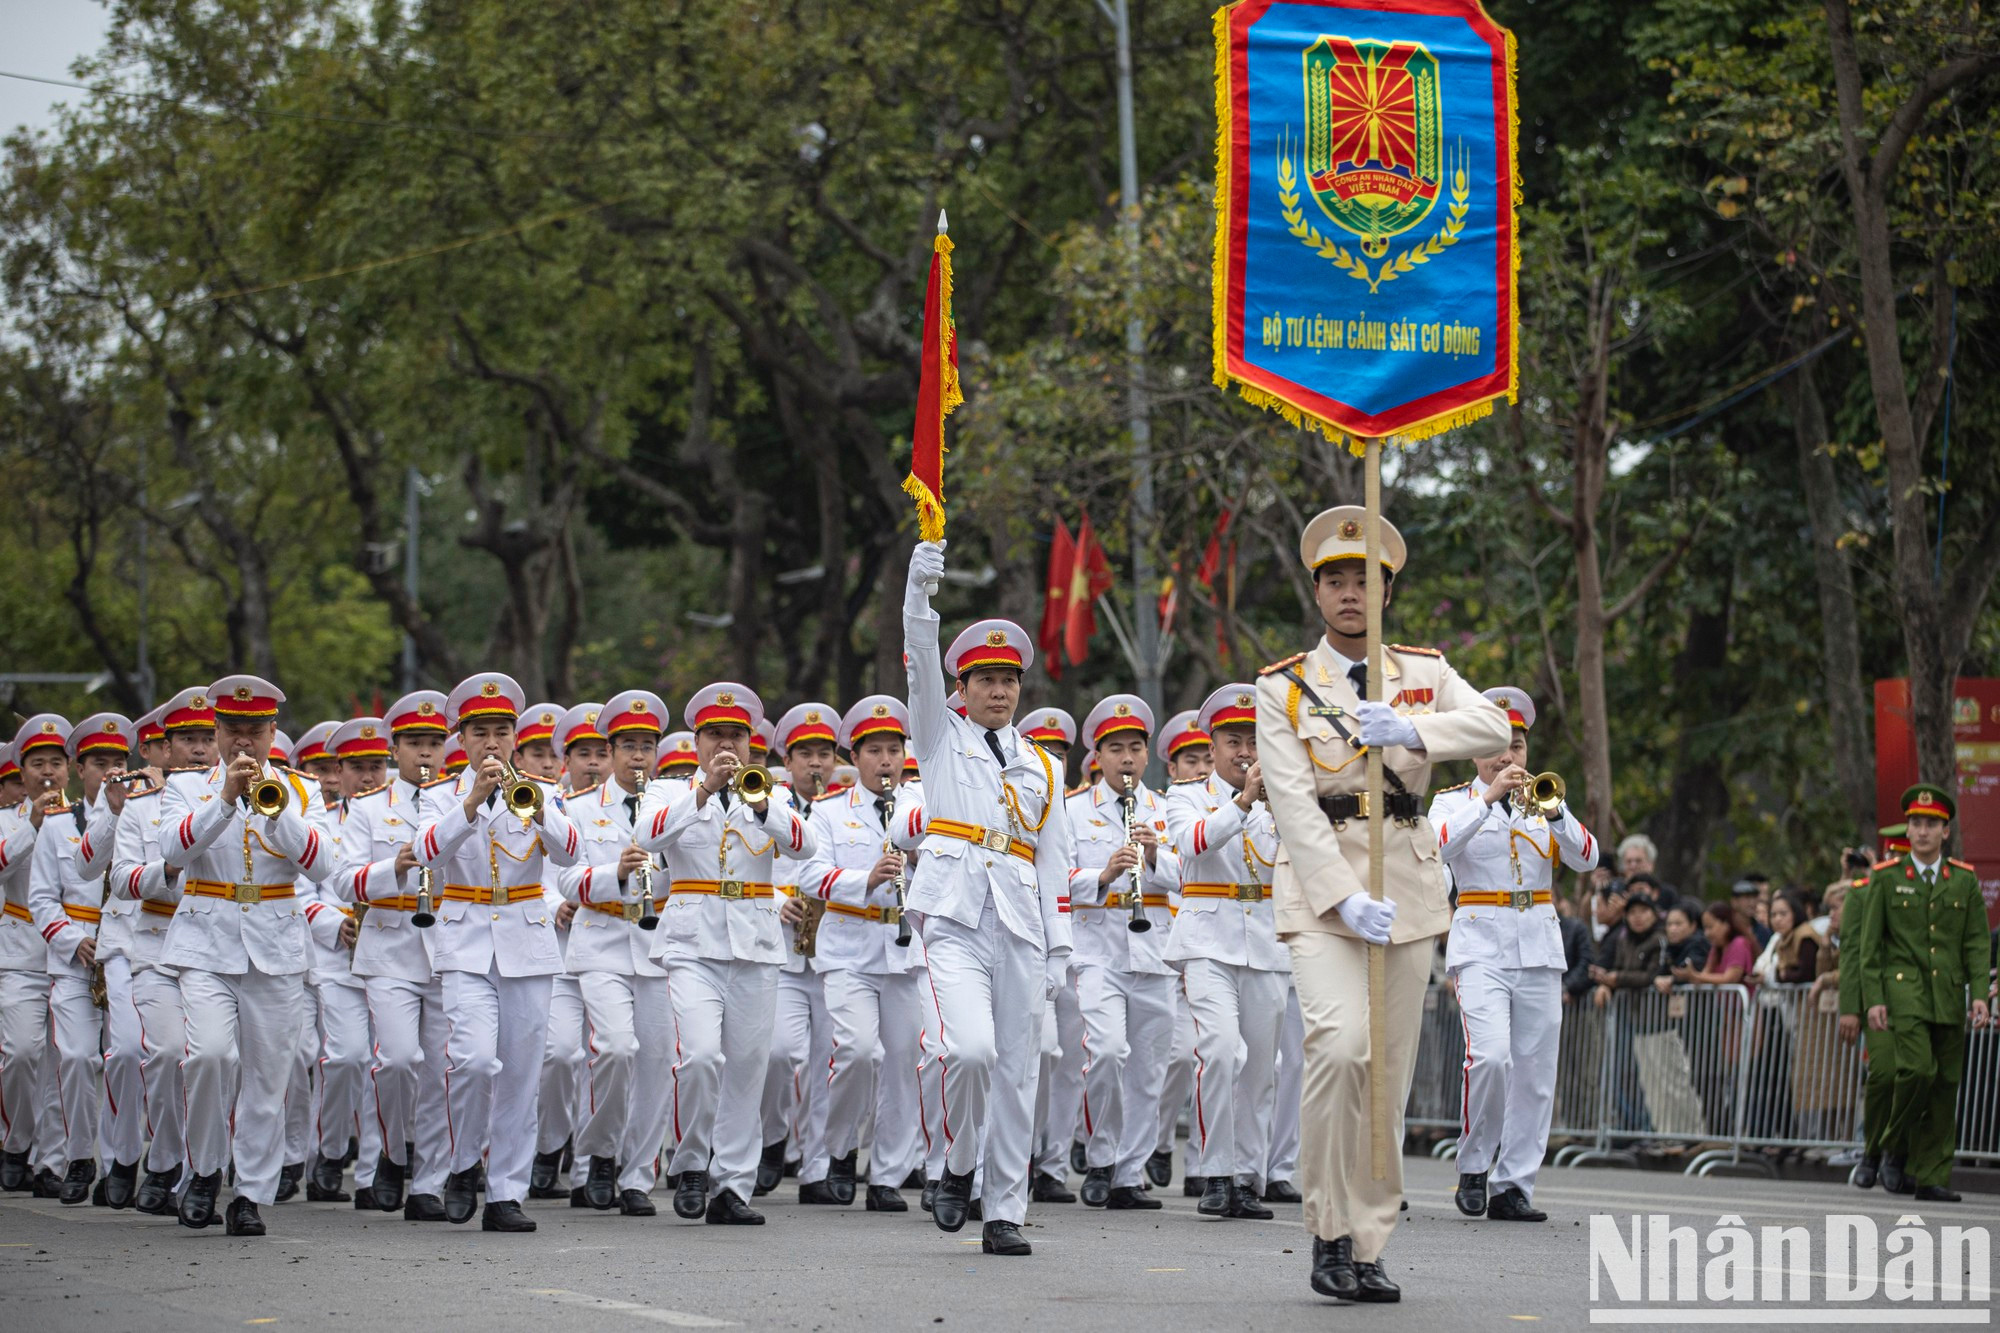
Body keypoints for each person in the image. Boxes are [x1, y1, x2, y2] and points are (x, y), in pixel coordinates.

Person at [1255, 505, 1511, 1304]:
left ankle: (1366, 1241)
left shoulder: (1425, 672)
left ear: (1387, 592)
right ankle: (1327, 1223)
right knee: (1341, 1045)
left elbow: (1494, 722)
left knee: (1388, 1076)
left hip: (1406, 883)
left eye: (1365, 580)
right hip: (1323, 890)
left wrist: (1414, 726)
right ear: (1319, 592)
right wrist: (1338, 895)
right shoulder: (1286, 685)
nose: (1350, 593)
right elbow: (1294, 806)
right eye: (1335, 580)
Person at [901, 538, 1077, 1257]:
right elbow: (916, 659)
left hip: (1021, 926)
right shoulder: (938, 738)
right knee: (968, 1052)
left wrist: (1060, 948)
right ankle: (958, 1162)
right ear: (962, 688)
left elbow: (1054, 859)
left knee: (1018, 1070)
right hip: (953, 915)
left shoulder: (1042, 764)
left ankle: (1004, 1209)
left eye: (1008, 679)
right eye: (984, 679)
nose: (998, 690)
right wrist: (920, 595)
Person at [158, 675, 335, 1235]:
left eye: (255, 733)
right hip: (205, 941)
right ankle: (205, 1171)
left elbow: (323, 864)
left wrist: (275, 809)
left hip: (277, 945)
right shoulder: (187, 788)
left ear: (272, 732)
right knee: (210, 1056)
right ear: (216, 731)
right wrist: (227, 800)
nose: (244, 744)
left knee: (268, 1077)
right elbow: (173, 851)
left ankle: (250, 1195)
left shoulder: (301, 790)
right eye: (233, 732)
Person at [635, 682, 816, 1226]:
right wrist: (704, 793)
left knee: (746, 1068)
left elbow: (806, 847)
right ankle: (690, 1161)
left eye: (736, 736)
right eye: (715, 735)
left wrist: (760, 805)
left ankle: (732, 1185)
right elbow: (647, 837)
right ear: (696, 741)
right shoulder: (668, 792)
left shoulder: (773, 794)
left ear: (752, 741)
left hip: (755, 942)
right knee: (699, 1058)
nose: (726, 746)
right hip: (692, 942)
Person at [411, 672, 580, 1232]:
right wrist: (473, 801)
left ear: (515, 735)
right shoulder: (438, 794)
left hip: (527, 939)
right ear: (461, 738)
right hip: (463, 938)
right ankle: (462, 1165)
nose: (491, 743)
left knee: (522, 1073)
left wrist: (527, 803)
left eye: (501, 731)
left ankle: (506, 1191)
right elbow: (425, 854)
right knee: (475, 1060)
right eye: (479, 732)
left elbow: (568, 851)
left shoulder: (543, 791)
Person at [1432, 686, 1598, 1223]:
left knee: (1534, 1073)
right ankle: (1475, 1162)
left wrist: (1554, 815)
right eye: (1494, 743)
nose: (1507, 756)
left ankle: (1514, 1185)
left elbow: (1588, 859)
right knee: (1492, 1057)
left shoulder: (1546, 801)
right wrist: (1487, 800)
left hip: (1539, 945)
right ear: (1473, 749)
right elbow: (1436, 847)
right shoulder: (1452, 801)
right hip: (1480, 944)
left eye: (1517, 746)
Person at [1162, 682, 1286, 1221]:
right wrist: (1243, 802)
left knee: (1261, 1066)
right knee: (1218, 1050)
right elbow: (1191, 844)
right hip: (1206, 942)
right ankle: (1214, 1172)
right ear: (1211, 747)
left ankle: (1246, 1177)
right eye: (1234, 741)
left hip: (1267, 941)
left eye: (1255, 742)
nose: (1245, 753)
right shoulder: (1187, 794)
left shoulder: (1286, 799)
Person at [801, 694, 928, 1212]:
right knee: (856, 1051)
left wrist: (919, 859)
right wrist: (863, 879)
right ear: (855, 759)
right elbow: (810, 873)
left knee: (903, 1061)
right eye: (874, 751)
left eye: (893, 750)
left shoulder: (924, 806)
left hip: (904, 949)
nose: (886, 761)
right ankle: (839, 1148)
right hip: (850, 946)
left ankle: (888, 1175)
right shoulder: (829, 810)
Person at [332, 689, 451, 1219]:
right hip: (388, 944)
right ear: (394, 749)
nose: (425, 755)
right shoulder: (365, 808)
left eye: (433, 744)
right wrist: (393, 870)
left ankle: (429, 1182)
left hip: (449, 944)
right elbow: (341, 880)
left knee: (442, 1070)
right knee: (397, 1061)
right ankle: (390, 1151)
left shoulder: (459, 801)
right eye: (414, 745)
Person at [555, 690, 673, 1217]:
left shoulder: (675, 806)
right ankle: (600, 1152)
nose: (638, 757)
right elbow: (565, 878)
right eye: (628, 746)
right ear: (610, 751)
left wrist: (659, 869)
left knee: (655, 1063)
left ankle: (638, 1176)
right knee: (616, 1049)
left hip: (660, 945)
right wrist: (616, 874)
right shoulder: (577, 807)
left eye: (647, 746)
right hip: (601, 940)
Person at [1065, 693, 1178, 1211]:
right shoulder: (1069, 810)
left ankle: (1130, 1173)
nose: (1127, 758)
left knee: (1149, 1071)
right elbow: (1056, 879)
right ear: (1098, 757)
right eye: (1116, 749)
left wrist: (1155, 857)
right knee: (1107, 1053)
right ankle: (1100, 1154)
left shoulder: (1167, 809)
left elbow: (1192, 879)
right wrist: (1103, 876)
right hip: (1096, 950)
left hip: (1155, 950)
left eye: (1135, 748)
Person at [1851, 784, 1990, 1201]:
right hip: (1904, 991)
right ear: (1907, 831)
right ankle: (1886, 1145)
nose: (1923, 831)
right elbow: (1869, 946)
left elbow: (1976, 943)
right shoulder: (1887, 878)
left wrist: (1979, 993)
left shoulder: (1963, 881)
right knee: (1916, 1071)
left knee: (1945, 1085)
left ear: (1945, 832)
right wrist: (1874, 998)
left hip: (1947, 993)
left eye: (1932, 824)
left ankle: (1929, 1176)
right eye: (1916, 823)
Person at [110, 689, 216, 1213]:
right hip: (156, 946)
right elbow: (121, 879)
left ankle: (203, 1170)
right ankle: (164, 1158)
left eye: (206, 739)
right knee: (168, 1052)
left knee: (213, 1060)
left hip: (215, 949)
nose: (198, 750)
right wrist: (167, 871)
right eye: (187, 740)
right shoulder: (141, 809)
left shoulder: (239, 797)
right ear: (165, 747)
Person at [28, 712, 133, 1204]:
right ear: (79, 766)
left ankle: (117, 1163)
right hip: (73, 954)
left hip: (125, 950)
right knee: (74, 1056)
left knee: (125, 1057)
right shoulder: (55, 825)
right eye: (99, 762)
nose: (110, 771)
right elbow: (42, 899)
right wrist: (72, 941)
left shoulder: (141, 815)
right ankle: (78, 1156)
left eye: (118, 761)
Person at [763, 701, 840, 1203]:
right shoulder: (765, 802)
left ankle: (817, 1168)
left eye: (824, 755)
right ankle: (771, 1138)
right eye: (805, 755)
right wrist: (776, 901)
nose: (816, 764)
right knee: (777, 1053)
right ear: (787, 761)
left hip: (837, 950)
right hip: (781, 951)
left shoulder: (847, 809)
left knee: (828, 1062)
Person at [532, 702, 605, 1199]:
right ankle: (547, 1148)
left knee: (609, 1056)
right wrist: (558, 901)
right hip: (557, 952)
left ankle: (594, 1164)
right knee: (560, 1055)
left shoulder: (634, 804)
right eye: (585, 753)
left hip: (607, 948)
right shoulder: (548, 803)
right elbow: (528, 874)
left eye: (603, 752)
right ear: (566, 760)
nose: (595, 763)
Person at [1018, 705, 1086, 1202]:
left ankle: (1054, 1162)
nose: (1051, 761)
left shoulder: (1067, 800)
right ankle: (1019, 1155)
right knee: (1035, 1052)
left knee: (1068, 1060)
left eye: (1059, 753)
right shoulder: (1020, 794)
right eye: (1044, 751)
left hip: (1073, 946)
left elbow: (1058, 871)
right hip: (1028, 936)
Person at [1153, 709, 1211, 1193]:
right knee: (1174, 1058)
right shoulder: (1163, 807)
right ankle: (1158, 1140)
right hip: (1166, 948)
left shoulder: (1233, 804)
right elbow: (1175, 870)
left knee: (1210, 1055)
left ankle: (1201, 1164)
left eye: (1206, 759)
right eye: (1190, 760)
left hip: (1209, 944)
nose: (1201, 769)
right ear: (1172, 768)